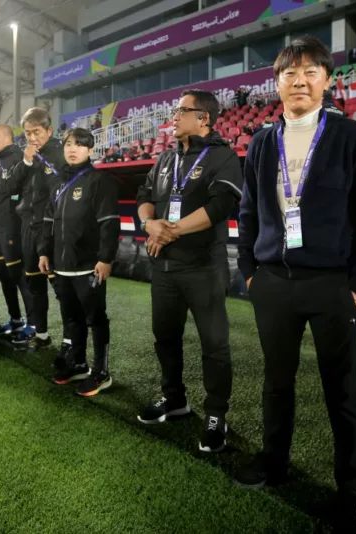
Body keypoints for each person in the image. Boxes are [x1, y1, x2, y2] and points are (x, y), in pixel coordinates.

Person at [235, 36, 356, 532]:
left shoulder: (352, 137)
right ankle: (273, 463)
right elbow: (247, 212)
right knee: (276, 383)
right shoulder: (261, 141)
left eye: (309, 72)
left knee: (343, 391)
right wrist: (251, 273)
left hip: (332, 285)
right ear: (276, 83)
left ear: (326, 79)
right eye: (288, 73)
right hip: (274, 283)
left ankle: (351, 493)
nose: (298, 81)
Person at [135, 89, 243, 453]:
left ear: (204, 118)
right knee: (164, 337)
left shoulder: (223, 156)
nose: (175, 115)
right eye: (176, 109)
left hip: (203, 268)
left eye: (183, 110)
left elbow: (221, 206)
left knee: (215, 345)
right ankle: (175, 399)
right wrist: (150, 225)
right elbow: (143, 198)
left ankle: (216, 415)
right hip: (164, 267)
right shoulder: (165, 158)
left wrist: (171, 231)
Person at [38, 128, 120, 395]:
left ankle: (101, 373)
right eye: (69, 144)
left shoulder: (99, 181)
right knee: (71, 317)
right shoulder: (58, 183)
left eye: (80, 145)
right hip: (61, 265)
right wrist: (43, 252)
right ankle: (79, 364)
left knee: (95, 319)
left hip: (88, 264)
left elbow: (109, 223)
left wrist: (105, 258)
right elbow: (48, 221)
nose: (73, 149)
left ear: (90, 150)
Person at [13, 107, 71, 354]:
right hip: (29, 228)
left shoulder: (61, 154)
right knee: (34, 285)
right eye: (27, 133)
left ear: (49, 130)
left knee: (61, 289)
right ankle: (42, 335)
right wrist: (26, 160)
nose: (32, 138)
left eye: (36, 132)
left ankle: (70, 342)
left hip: (52, 230)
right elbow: (12, 187)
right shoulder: (28, 156)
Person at [0, 123, 33, 336]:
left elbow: (15, 192)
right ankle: (15, 319)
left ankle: (33, 325)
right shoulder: (0, 162)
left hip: (11, 229)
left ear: (8, 137)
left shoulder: (17, 159)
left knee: (19, 277)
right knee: (4, 276)